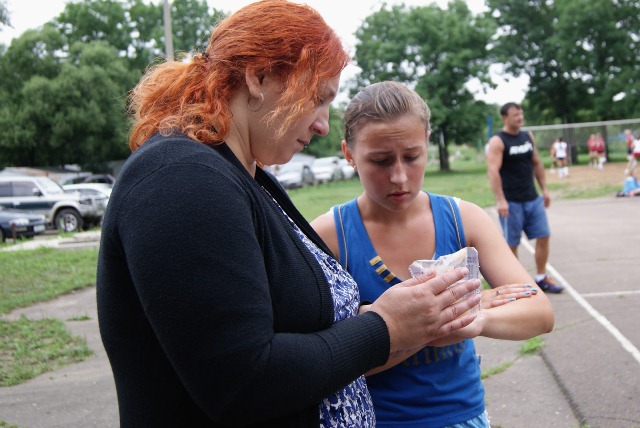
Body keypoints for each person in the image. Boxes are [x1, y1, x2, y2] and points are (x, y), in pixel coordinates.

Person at [96, 2, 482, 427]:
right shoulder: (180, 177)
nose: (322, 125)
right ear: (259, 77)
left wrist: (417, 313)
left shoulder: (240, 173)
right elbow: (243, 382)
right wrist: (385, 325)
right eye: (319, 99)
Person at [311, 82, 555, 428]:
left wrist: (477, 318)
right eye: (380, 161)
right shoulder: (328, 236)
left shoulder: (463, 219)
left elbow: (539, 311)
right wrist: (434, 320)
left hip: (463, 416)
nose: (399, 176)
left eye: (412, 156)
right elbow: (324, 359)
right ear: (349, 154)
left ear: (427, 140)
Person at [487, 102, 564, 293]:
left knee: (544, 235)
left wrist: (544, 189)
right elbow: (493, 171)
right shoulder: (498, 141)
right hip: (511, 201)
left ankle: (541, 277)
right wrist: (500, 200)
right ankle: (516, 283)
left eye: (521, 114)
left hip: (532, 197)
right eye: (515, 115)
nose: (520, 117)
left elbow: (536, 163)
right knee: (511, 244)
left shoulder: (527, 136)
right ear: (505, 117)